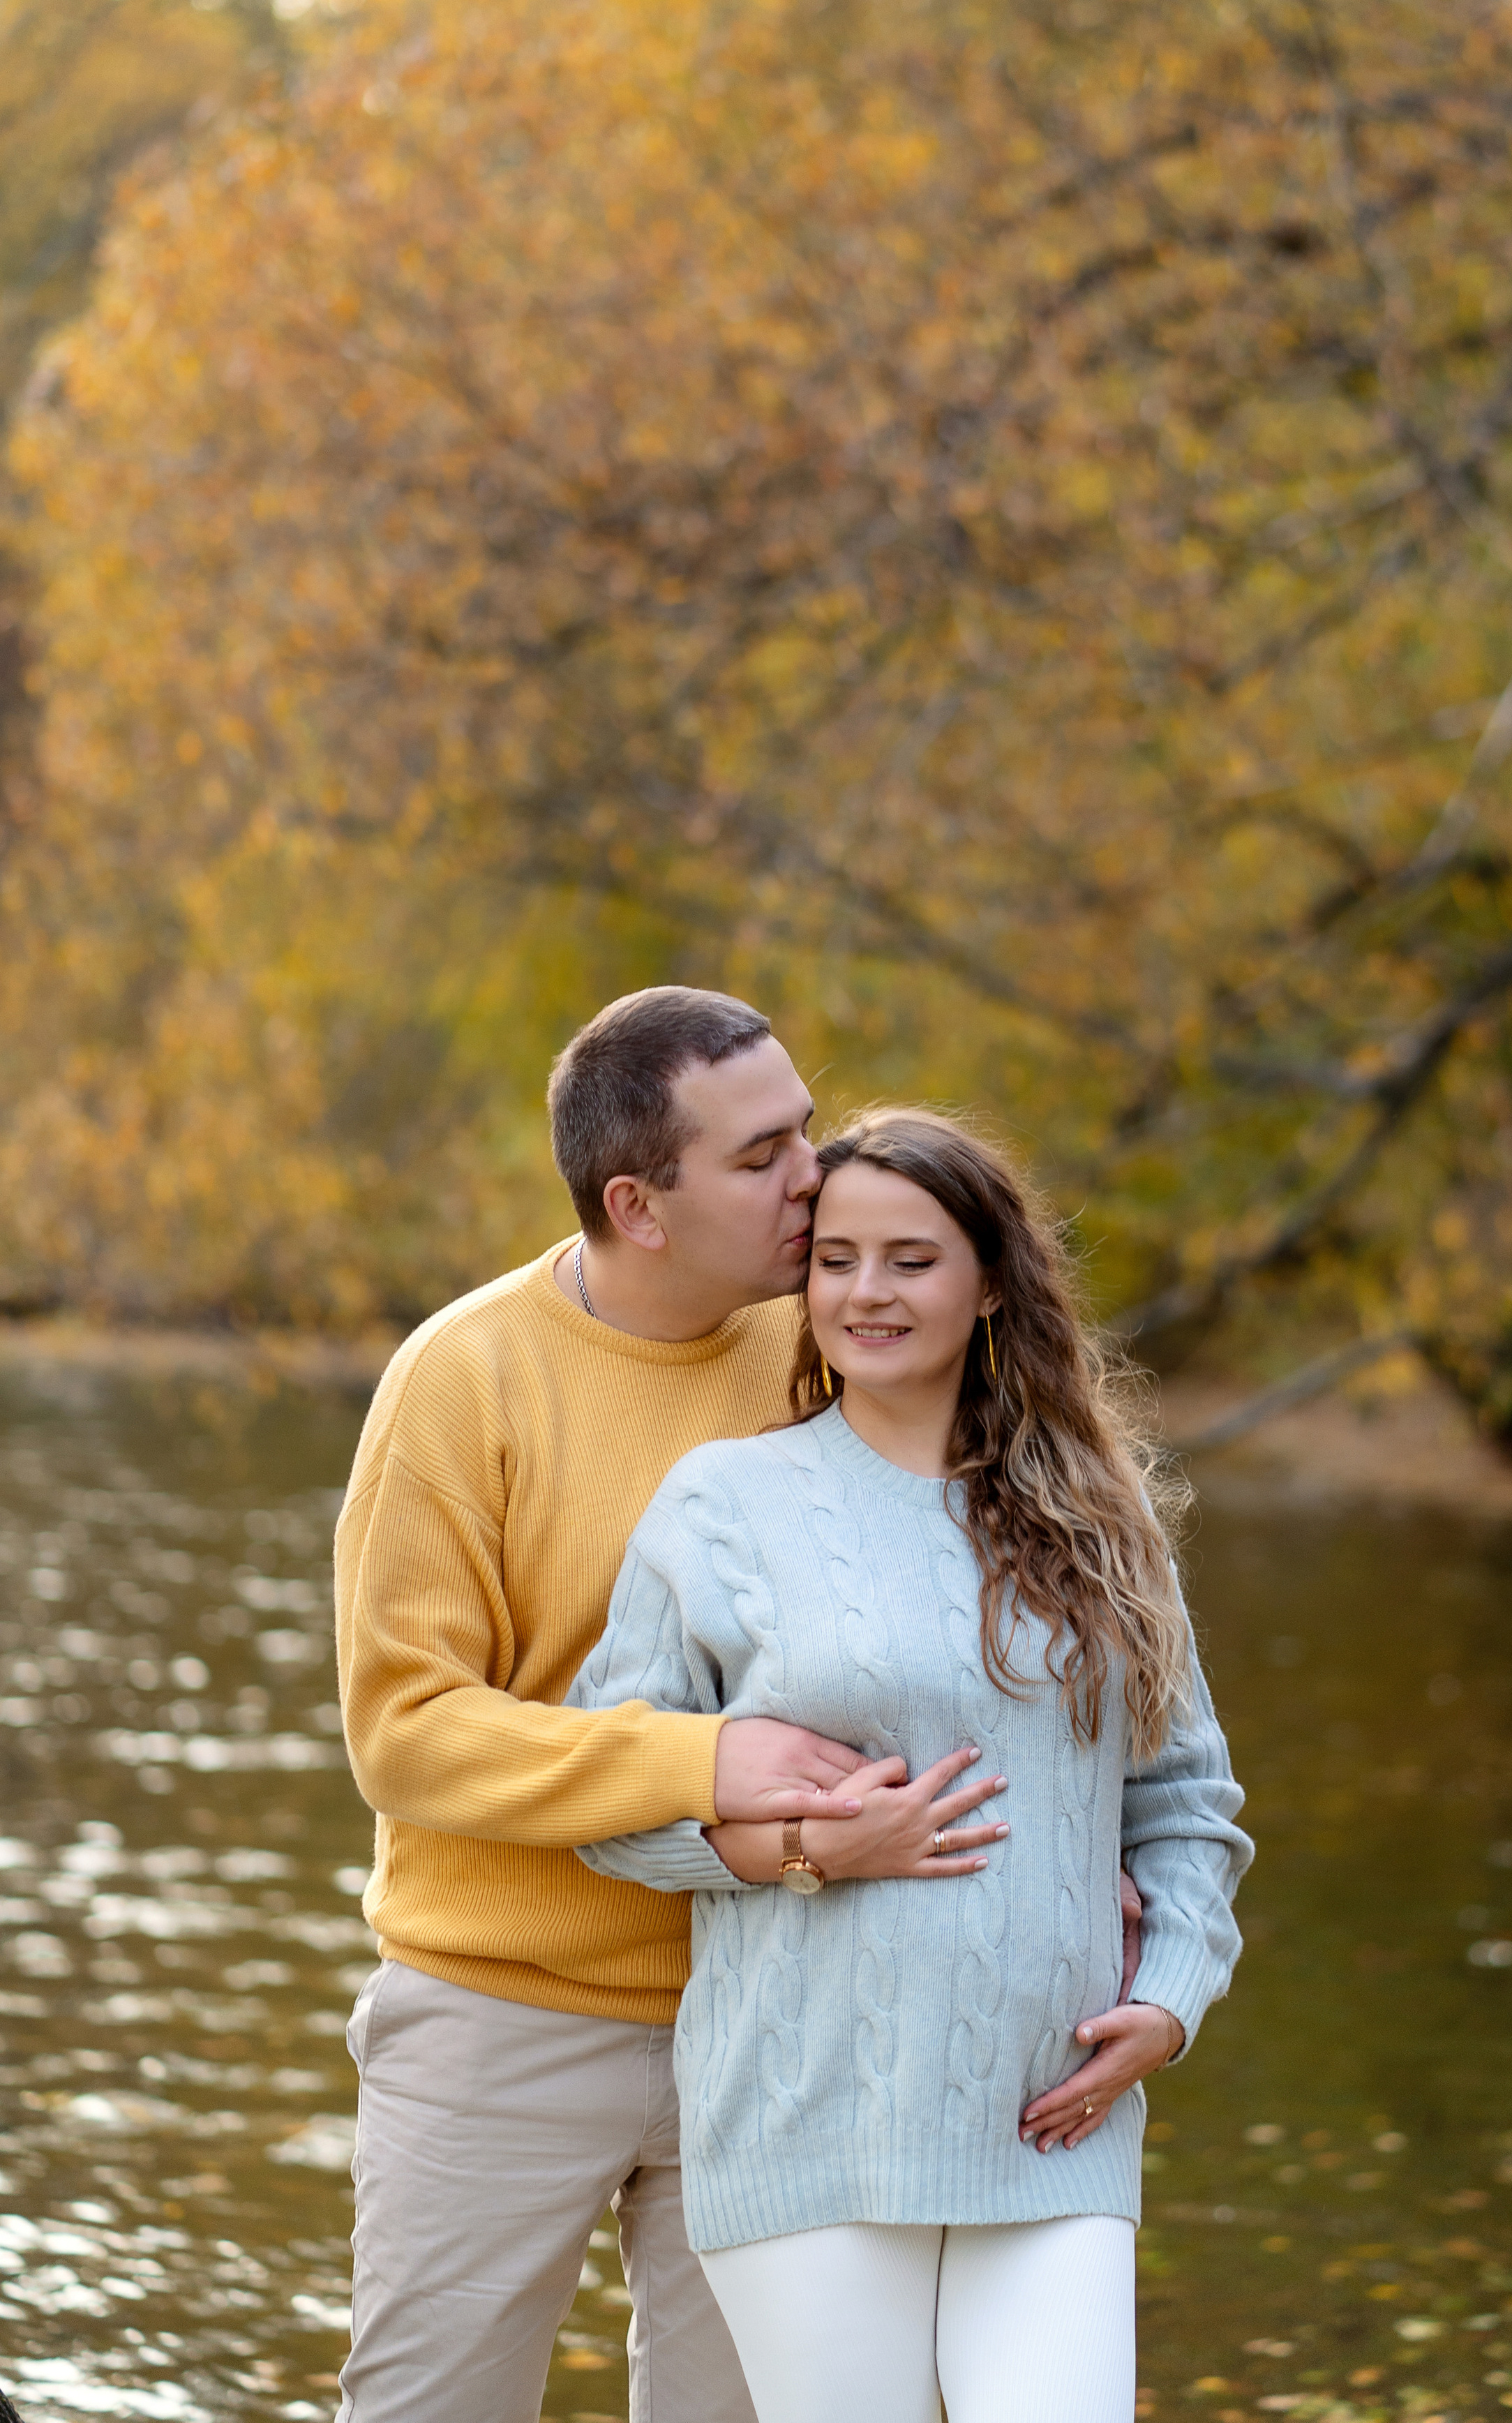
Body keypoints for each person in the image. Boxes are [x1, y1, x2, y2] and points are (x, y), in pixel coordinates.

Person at [331, 990, 993, 2423]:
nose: (812, 1175)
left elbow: (967, 1608)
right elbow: (404, 1730)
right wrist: (705, 1759)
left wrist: (1088, 1866)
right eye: (762, 1157)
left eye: (805, 1128)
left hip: (778, 2015)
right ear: (640, 1204)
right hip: (497, 2019)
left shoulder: (834, 1348)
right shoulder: (465, 1379)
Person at [569, 1108, 1254, 2423]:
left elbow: (1185, 1809)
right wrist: (820, 1853)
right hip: (808, 2117)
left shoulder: (1100, 1517)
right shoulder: (722, 1505)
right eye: (834, 1259)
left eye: (910, 1260)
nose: (865, 1293)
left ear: (992, 1282)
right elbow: (614, 1804)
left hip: (1053, 2119)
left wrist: (1167, 2005)